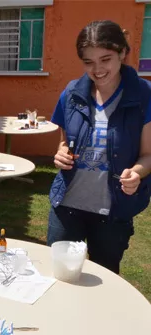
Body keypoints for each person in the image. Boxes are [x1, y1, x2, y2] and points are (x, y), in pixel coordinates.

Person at [47, 20, 151, 275]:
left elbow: (148, 155)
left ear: (123, 53)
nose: (98, 69)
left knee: (104, 281)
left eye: (106, 59)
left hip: (112, 211)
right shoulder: (72, 93)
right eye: (88, 62)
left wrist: (137, 173)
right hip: (67, 206)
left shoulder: (143, 95)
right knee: (60, 278)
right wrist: (60, 154)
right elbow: (64, 143)